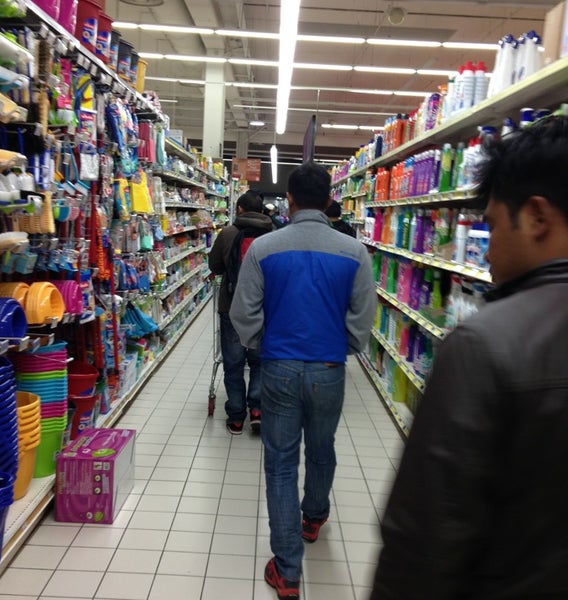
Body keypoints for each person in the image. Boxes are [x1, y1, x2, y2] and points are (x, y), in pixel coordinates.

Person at [370, 115, 568, 599]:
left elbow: (423, 537)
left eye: (493, 226)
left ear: (537, 217)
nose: (488, 251)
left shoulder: (485, 344)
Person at [230, 162, 376, 600]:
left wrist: (263, 343)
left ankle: (287, 569)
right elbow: (362, 317)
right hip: (328, 368)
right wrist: (343, 346)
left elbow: (243, 312)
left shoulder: (264, 248)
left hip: (278, 366)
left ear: (289, 201)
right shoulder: (355, 253)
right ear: (330, 200)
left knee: (280, 463)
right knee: (322, 446)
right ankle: (313, 517)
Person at [208, 190, 273, 435]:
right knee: (259, 361)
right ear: (263, 210)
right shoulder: (274, 234)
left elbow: (215, 266)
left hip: (232, 307)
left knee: (233, 363)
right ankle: (257, 410)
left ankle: (236, 417)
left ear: (240, 210)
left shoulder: (227, 233)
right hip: (264, 308)